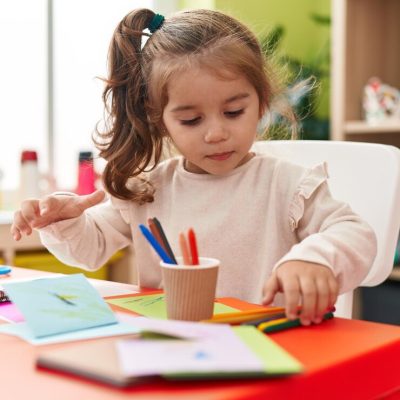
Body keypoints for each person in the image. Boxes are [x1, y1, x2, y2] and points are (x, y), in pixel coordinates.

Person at [11, 8, 376, 326]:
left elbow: (354, 233)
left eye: (234, 112)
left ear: (262, 101)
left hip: (273, 349)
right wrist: (62, 219)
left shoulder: (288, 184)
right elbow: (89, 250)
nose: (216, 133)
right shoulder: (147, 190)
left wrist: (316, 260)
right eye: (190, 120)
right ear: (159, 119)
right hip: (176, 351)